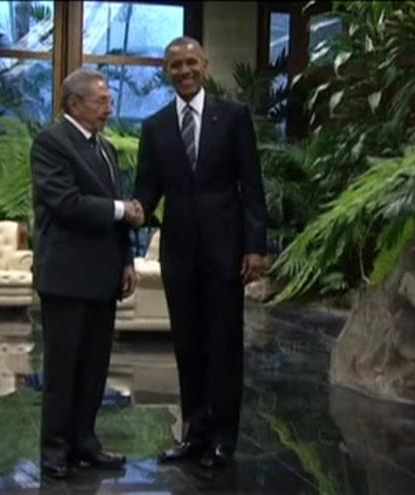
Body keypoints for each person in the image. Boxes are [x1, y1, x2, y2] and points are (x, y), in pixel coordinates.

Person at [133, 36, 269, 469]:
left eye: (191, 62)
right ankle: (195, 434)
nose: (185, 71)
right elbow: (147, 192)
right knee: (188, 346)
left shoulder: (232, 117)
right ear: (166, 71)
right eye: (176, 65)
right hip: (180, 254)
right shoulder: (154, 127)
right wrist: (125, 213)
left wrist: (256, 246)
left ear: (205, 65)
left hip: (226, 251)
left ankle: (224, 439)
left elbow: (252, 186)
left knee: (224, 345)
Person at [31, 67, 143, 480]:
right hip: (65, 276)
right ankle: (55, 449)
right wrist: (122, 210)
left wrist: (127, 261)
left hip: (103, 276)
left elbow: (118, 216)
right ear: (75, 103)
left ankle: (85, 442)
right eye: (102, 101)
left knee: (95, 366)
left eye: (108, 101)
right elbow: (65, 202)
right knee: (63, 367)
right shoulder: (50, 142)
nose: (109, 109)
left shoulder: (106, 150)